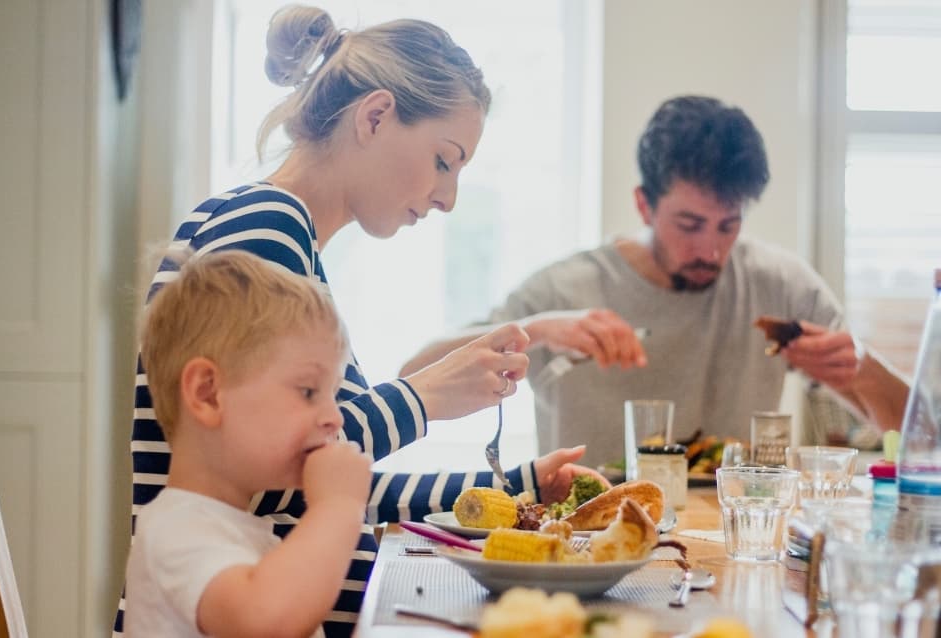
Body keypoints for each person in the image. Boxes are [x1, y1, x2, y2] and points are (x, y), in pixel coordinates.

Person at [116, 5, 604, 637]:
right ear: (374, 117)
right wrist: (425, 396)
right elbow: (302, 467)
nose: (447, 197)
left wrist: (520, 487)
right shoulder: (265, 227)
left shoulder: (283, 237)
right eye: (443, 160)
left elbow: (330, 480)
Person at [401, 95, 910, 468]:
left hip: (728, 546)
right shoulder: (563, 291)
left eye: (728, 226)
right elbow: (414, 375)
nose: (710, 250)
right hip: (588, 540)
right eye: (689, 225)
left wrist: (860, 367)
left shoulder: (780, 285)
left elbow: (920, 436)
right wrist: (539, 329)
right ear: (644, 204)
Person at [125, 249, 371, 638]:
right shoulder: (176, 530)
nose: (334, 417)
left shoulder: (238, 530)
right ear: (208, 394)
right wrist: (338, 508)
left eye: (333, 394)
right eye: (308, 391)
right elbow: (266, 620)